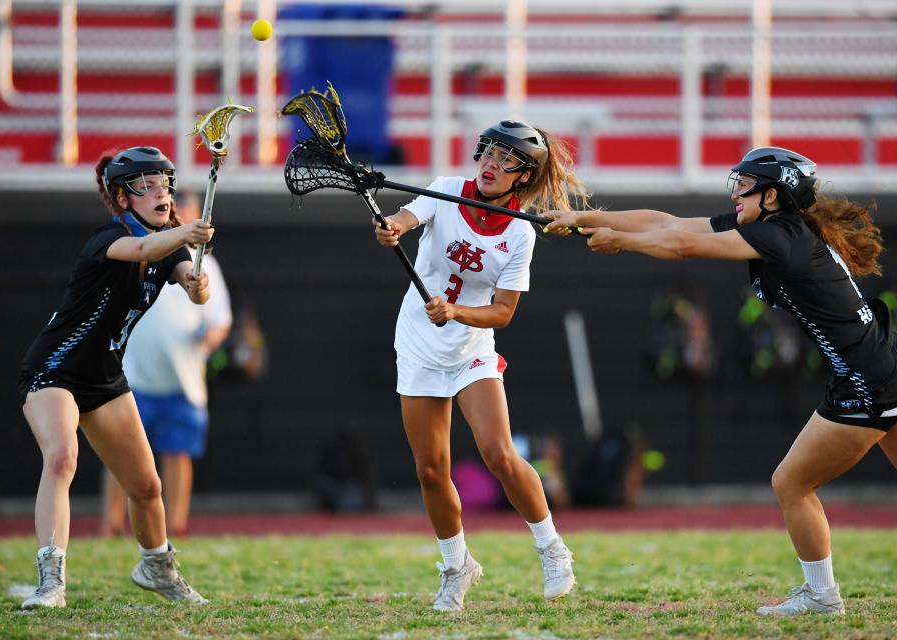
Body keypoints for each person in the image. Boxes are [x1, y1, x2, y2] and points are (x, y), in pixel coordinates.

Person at [543, 146, 897, 617]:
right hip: (880, 370)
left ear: (772, 195)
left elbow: (681, 246)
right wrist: (580, 217)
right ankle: (820, 595)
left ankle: (821, 595)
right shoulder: (777, 228)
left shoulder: (778, 237)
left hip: (865, 382)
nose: (735, 193)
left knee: (791, 484)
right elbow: (670, 221)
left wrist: (618, 242)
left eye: (745, 185)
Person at [374, 120, 589, 612]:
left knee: (499, 453)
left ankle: (552, 548)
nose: (491, 164)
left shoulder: (520, 233)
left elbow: (503, 312)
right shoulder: (448, 190)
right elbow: (406, 218)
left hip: (471, 345)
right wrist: (393, 230)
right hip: (418, 344)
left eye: (506, 158)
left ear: (524, 177)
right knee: (431, 470)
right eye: (488, 152)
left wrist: (456, 312)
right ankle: (456, 567)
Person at [17, 146, 213, 609]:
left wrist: (197, 282)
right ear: (124, 199)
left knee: (147, 487)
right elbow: (144, 249)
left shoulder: (173, 246)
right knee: (63, 458)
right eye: (147, 186)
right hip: (54, 369)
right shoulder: (108, 238)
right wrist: (186, 230)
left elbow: (192, 285)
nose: (160, 192)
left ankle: (156, 567)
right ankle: (50, 581)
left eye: (164, 183)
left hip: (105, 379)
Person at [101, 190, 233, 538]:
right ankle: (111, 524)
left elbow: (218, 317)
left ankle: (176, 525)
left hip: (183, 380)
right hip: (134, 377)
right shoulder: (136, 251)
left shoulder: (207, 265)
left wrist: (208, 336)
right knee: (121, 454)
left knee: (177, 454)